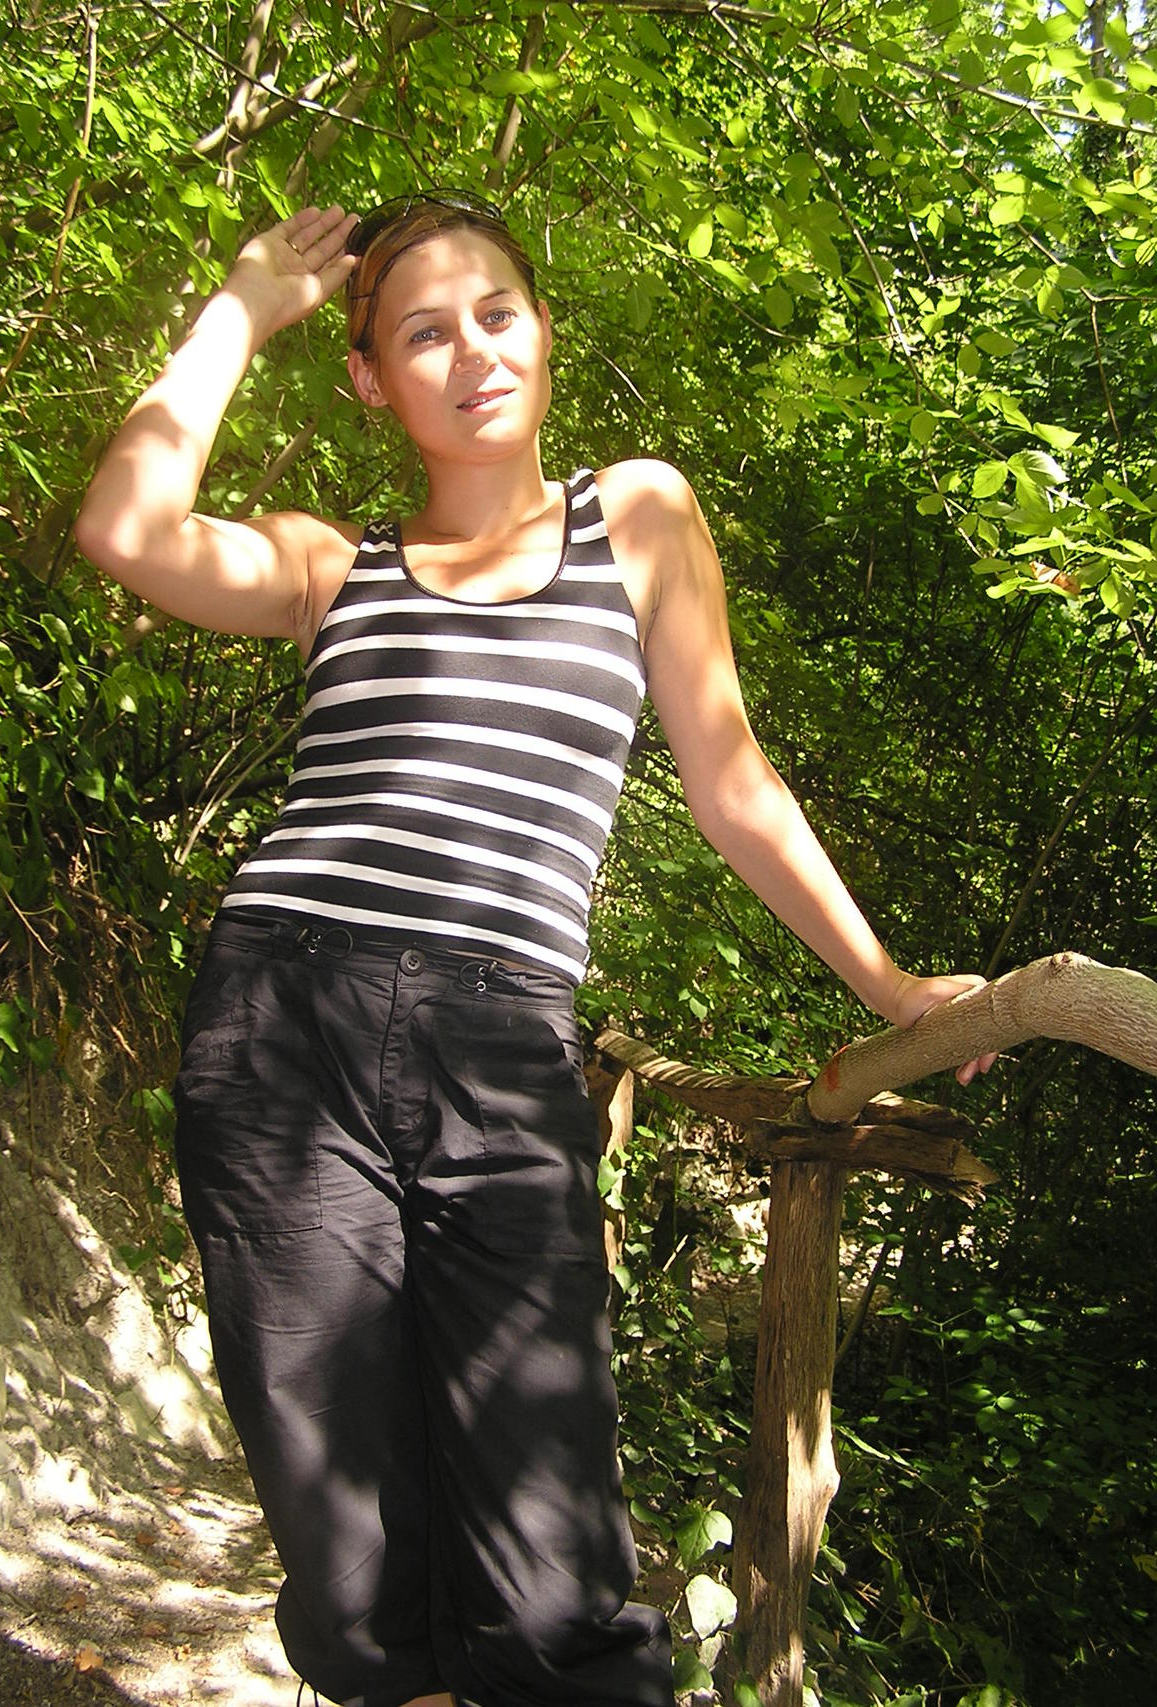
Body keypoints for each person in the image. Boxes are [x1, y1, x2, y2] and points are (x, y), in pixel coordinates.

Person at [74, 194, 993, 1707]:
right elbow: (125, 531)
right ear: (371, 380)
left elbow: (731, 781)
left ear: (545, 332)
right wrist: (241, 307)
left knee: (549, 1552)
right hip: (283, 1022)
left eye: (498, 314)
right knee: (355, 1555)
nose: (474, 352)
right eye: (424, 333)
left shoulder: (634, 516)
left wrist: (891, 988)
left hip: (502, 1045)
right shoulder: (329, 566)